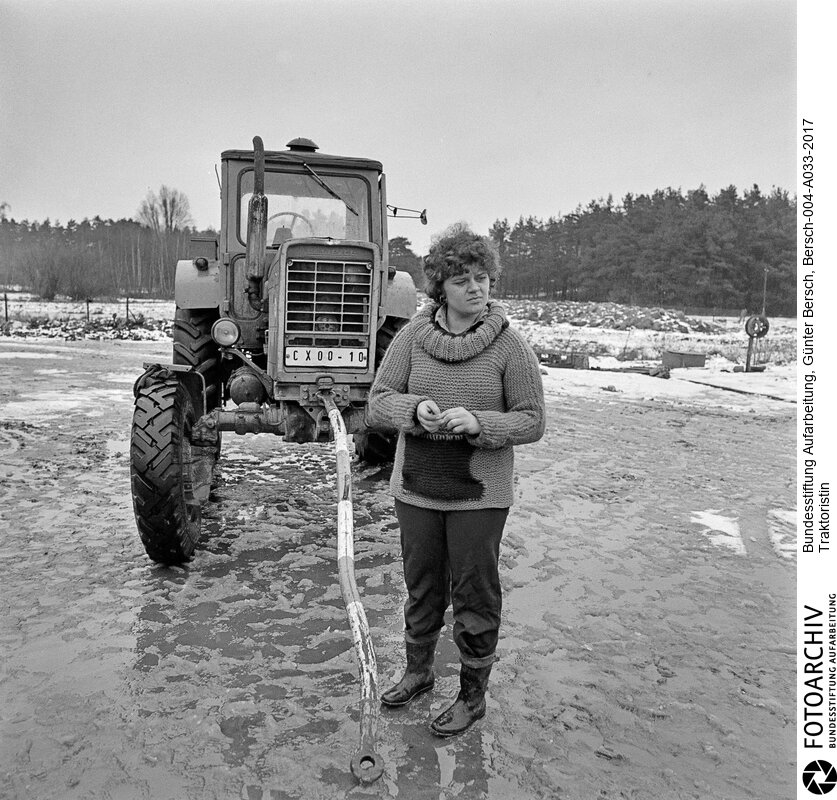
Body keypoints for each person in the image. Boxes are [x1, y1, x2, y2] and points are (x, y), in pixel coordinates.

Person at [366, 222, 546, 736]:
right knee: (422, 587)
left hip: (480, 498)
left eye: (482, 278)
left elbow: (533, 419)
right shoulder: (412, 337)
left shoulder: (511, 347)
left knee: (474, 595)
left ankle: (472, 696)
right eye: (462, 279)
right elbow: (378, 402)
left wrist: (481, 424)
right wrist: (412, 409)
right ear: (440, 286)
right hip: (416, 490)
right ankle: (418, 672)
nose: (476, 288)